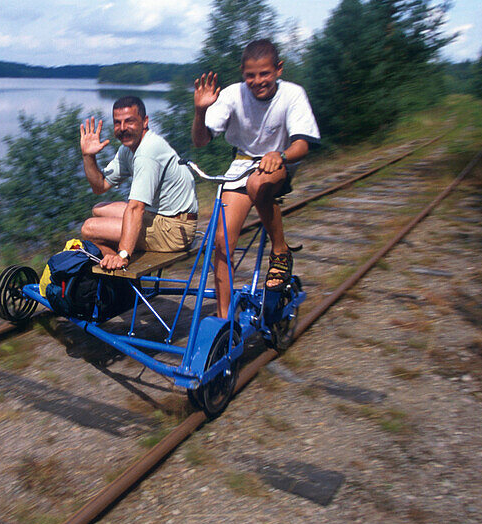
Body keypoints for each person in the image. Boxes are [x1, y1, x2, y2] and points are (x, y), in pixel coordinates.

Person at [191, 39, 320, 318]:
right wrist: (200, 111)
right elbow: (201, 141)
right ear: (242, 72)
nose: (257, 81)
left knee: (258, 184)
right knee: (221, 241)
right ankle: (224, 321)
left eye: (264, 73)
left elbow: (303, 145)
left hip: (280, 163)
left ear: (278, 69)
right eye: (250, 75)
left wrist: (281, 156)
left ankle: (280, 251)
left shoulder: (293, 94)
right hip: (242, 164)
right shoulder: (233, 94)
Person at [80, 96, 198, 271]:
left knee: (89, 228)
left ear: (145, 122)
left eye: (129, 121)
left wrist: (124, 254)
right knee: (99, 209)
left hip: (175, 230)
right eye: (117, 123)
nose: (122, 128)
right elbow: (100, 186)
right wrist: (88, 156)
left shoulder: (147, 152)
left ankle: (116, 260)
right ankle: (112, 259)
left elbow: (136, 208)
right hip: (161, 216)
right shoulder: (128, 149)